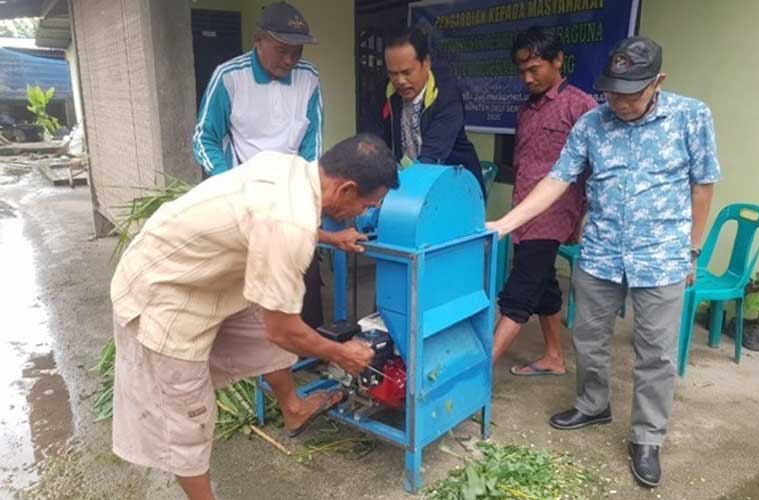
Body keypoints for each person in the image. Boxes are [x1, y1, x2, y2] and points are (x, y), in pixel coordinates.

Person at [110, 134, 399, 500]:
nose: (363, 213)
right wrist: (342, 353)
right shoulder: (289, 224)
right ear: (346, 189)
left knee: (267, 330)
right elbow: (284, 330)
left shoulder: (293, 169)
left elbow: (270, 221)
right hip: (163, 293)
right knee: (189, 417)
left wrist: (329, 237)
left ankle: (293, 409)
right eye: (366, 205)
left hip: (205, 274)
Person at [487, 37, 720, 488]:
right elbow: (558, 179)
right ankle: (594, 404)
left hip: (660, 257)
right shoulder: (592, 123)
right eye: (613, 91)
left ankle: (647, 437)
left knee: (654, 353)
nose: (621, 102)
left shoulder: (692, 116)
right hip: (600, 254)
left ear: (658, 82)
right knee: (590, 339)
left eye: (631, 92)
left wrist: (692, 251)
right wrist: (506, 222)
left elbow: (703, 186)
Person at [192, 1, 363, 330]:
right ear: (259, 40)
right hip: (245, 194)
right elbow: (204, 138)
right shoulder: (229, 77)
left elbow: (313, 140)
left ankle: (307, 343)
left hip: (292, 190)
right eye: (282, 50)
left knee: (302, 268)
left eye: (296, 51)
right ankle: (256, 348)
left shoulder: (308, 77)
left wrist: (306, 191)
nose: (289, 60)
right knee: (251, 283)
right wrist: (231, 185)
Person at [491, 27, 596, 376]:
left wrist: (580, 219)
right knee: (544, 284)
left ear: (558, 60)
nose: (527, 77)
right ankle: (554, 357)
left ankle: (475, 376)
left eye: (534, 68)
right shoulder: (526, 110)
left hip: (554, 216)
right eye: (521, 70)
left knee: (519, 292)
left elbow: (594, 170)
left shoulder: (582, 107)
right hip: (524, 212)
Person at [382, 27, 485, 197]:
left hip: (457, 186)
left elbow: (431, 157)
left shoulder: (447, 97)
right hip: (413, 180)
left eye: (407, 72)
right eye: (393, 73)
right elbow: (381, 141)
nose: (400, 81)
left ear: (426, 63)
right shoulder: (389, 92)